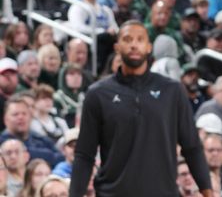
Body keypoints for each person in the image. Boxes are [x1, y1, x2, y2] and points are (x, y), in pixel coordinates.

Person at [69, 20, 212, 197]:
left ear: (149, 47)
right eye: (127, 39)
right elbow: (84, 155)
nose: (134, 45)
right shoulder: (98, 94)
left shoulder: (172, 90)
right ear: (117, 47)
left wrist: (208, 192)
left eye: (139, 39)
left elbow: (192, 147)